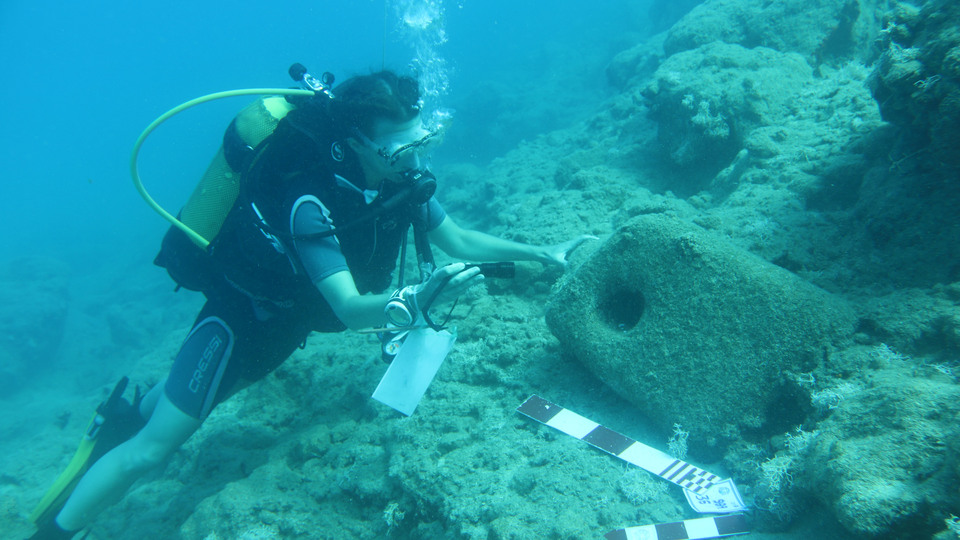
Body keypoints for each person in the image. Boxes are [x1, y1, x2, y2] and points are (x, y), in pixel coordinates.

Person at [29, 70, 591, 539]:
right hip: (244, 319)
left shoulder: (399, 179)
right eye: (403, 147)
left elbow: (462, 240)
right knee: (151, 453)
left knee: (195, 395)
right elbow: (348, 308)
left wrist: (544, 253)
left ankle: (136, 410)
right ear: (358, 144)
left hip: (288, 324)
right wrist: (419, 298)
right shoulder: (310, 202)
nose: (418, 158)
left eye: (425, 141)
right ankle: (54, 528)